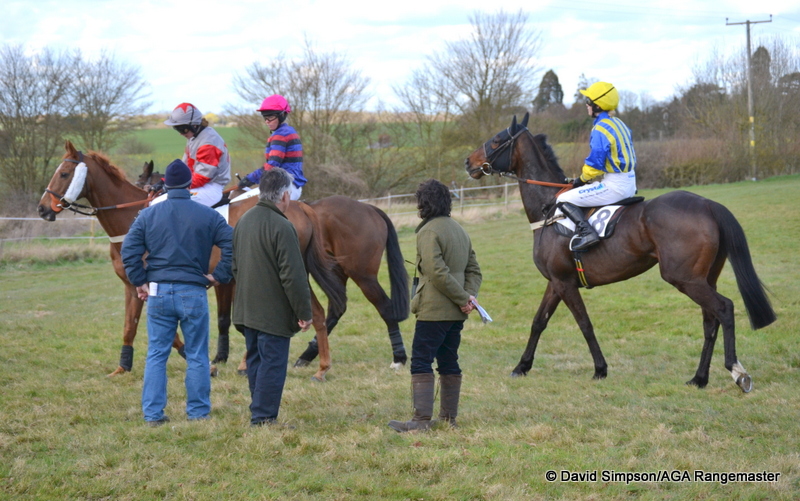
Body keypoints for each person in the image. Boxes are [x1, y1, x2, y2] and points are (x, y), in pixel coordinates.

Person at [121, 159, 233, 426]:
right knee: (197, 354)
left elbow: (129, 251)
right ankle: (198, 413)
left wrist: (140, 280)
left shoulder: (147, 215)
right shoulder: (208, 214)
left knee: (157, 354)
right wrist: (219, 276)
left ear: (166, 186)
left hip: (158, 292)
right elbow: (231, 243)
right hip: (193, 292)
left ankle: (153, 415)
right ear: (188, 184)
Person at [388, 179, 482, 433]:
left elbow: (436, 272)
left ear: (423, 204)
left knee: (420, 360)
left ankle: (420, 422)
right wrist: (468, 297)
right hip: (456, 314)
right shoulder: (459, 230)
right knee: (449, 360)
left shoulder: (428, 231)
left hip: (434, 310)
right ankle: (448, 419)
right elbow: (474, 270)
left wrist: (464, 298)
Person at [232, 167, 313, 427]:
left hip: (245, 309)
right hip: (272, 312)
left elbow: (235, 266)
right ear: (285, 196)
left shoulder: (244, 220)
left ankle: (259, 411)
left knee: (255, 359)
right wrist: (304, 313)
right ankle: (264, 417)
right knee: (272, 364)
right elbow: (293, 276)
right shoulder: (282, 226)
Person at [556, 81, 637, 251]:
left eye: (589, 101)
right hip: (631, 182)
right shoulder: (620, 124)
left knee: (563, 199)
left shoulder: (600, 128)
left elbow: (595, 163)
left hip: (615, 185)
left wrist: (581, 179)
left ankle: (588, 233)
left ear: (598, 106)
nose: (586, 104)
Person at [161, 102, 232, 207]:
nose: (181, 133)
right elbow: (185, 168)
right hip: (199, 186)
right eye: (177, 129)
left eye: (182, 129)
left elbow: (201, 177)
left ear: (194, 124)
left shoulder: (208, 142)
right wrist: (166, 181)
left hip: (210, 188)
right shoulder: (194, 136)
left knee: (171, 204)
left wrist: (173, 185)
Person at [237, 95, 306, 200]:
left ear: (282, 115)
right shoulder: (289, 131)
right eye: (265, 117)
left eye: (270, 117)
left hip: (285, 185)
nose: (267, 121)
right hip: (291, 184)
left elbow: (272, 165)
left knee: (244, 201)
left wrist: (250, 178)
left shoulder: (281, 135)